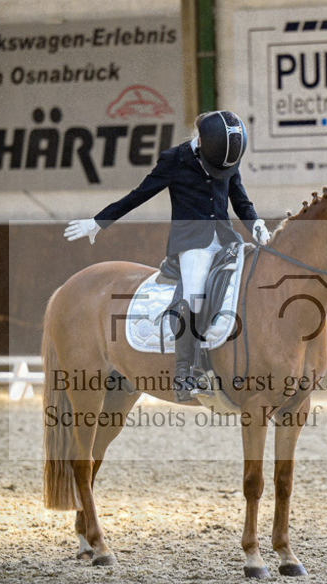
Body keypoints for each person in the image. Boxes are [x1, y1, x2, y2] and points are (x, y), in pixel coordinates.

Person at [64, 110, 270, 403]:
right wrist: (99, 222)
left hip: (227, 240)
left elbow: (240, 201)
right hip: (193, 244)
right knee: (195, 294)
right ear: (201, 141)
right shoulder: (175, 160)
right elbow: (138, 194)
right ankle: (185, 373)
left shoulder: (225, 158)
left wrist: (256, 224)